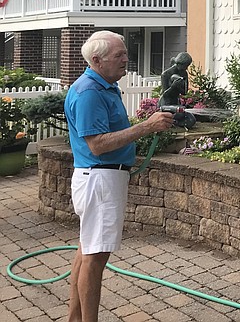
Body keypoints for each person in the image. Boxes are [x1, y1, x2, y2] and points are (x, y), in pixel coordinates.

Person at [65, 30, 174, 322]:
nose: (127, 59)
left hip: (100, 179)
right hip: (100, 181)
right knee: (95, 258)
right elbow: (98, 144)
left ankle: (75, 319)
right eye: (119, 55)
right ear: (97, 60)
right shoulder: (89, 92)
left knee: (86, 250)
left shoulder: (102, 86)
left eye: (125, 53)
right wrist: (147, 127)